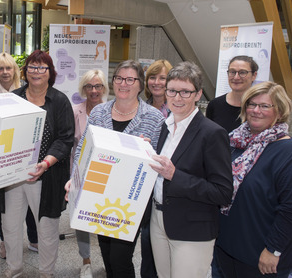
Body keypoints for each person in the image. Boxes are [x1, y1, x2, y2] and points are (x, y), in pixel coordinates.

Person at [67, 60, 165, 278]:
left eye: (131, 79)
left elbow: (161, 163)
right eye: (119, 78)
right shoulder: (100, 112)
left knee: (121, 260)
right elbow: (83, 147)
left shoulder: (154, 118)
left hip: (130, 202)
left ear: (141, 85)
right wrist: (74, 178)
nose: (124, 83)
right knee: (108, 255)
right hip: (100, 196)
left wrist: (147, 151)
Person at [215, 81, 292, 278]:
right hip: (227, 248)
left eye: (265, 106)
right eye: (251, 104)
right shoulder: (236, 142)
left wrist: (273, 250)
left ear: (280, 111)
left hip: (262, 258)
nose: (256, 110)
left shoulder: (291, 155)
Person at [148, 61, 233, 278]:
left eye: (185, 92)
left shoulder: (212, 133)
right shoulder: (165, 127)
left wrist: (175, 175)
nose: (177, 98)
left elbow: (223, 193)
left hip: (192, 229)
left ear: (198, 94)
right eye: (172, 91)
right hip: (159, 221)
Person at [0, 50, 74, 278]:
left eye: (42, 67)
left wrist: (46, 162)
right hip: (13, 175)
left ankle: (46, 273)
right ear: (25, 71)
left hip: (47, 175)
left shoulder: (59, 101)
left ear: (50, 73)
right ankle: (14, 267)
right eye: (32, 66)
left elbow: (65, 138)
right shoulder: (14, 97)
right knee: (10, 225)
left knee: (47, 228)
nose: (36, 72)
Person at [0, 52, 39, 260]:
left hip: (23, 153)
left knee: (30, 199)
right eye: (0, 69)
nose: (5, 72)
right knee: (2, 204)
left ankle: (33, 238)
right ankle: (4, 240)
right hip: (0, 156)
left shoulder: (26, 91)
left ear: (15, 70)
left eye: (9, 68)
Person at [70, 69, 109, 278]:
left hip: (104, 172)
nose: (94, 91)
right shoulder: (75, 111)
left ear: (104, 88)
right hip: (80, 172)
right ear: (83, 89)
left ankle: (108, 259)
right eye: (89, 86)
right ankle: (86, 260)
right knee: (81, 219)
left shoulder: (112, 110)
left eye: (98, 86)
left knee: (105, 216)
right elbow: (72, 145)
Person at [142, 59, 173, 278]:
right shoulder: (140, 107)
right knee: (146, 244)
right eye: (153, 77)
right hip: (142, 183)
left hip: (167, 186)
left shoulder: (178, 110)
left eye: (162, 77)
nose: (157, 82)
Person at [206, 55, 258, 133]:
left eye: (242, 72)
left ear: (254, 76)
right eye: (232, 72)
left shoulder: (260, 107)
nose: (236, 77)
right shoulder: (215, 105)